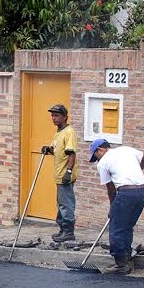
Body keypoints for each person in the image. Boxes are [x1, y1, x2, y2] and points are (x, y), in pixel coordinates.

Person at [89, 139, 144, 274]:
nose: (97, 160)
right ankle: (127, 258)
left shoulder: (103, 163)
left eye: (95, 156)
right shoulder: (126, 149)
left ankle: (121, 264)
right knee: (127, 226)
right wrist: (139, 169)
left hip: (126, 193)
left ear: (100, 150)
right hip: (142, 192)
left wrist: (112, 208)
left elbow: (111, 189)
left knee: (116, 228)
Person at [40, 104, 79, 242]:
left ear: (65, 117)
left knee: (66, 203)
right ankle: (62, 229)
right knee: (60, 202)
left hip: (65, 174)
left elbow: (71, 153)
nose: (54, 118)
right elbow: (56, 150)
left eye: (57, 116)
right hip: (58, 174)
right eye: (52, 115)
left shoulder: (69, 132)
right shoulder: (58, 133)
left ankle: (68, 231)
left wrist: (68, 171)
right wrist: (48, 149)